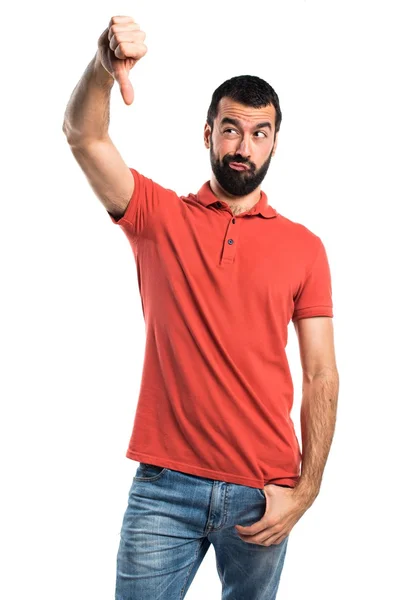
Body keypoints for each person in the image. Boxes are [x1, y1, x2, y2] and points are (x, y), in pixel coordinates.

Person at [63, 14, 339, 600]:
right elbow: (84, 137)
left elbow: (321, 373)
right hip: (164, 488)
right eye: (231, 129)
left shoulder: (305, 247)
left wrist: (306, 490)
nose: (244, 147)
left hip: (264, 492)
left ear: (275, 142)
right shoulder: (158, 218)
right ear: (208, 133)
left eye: (259, 133)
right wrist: (101, 70)